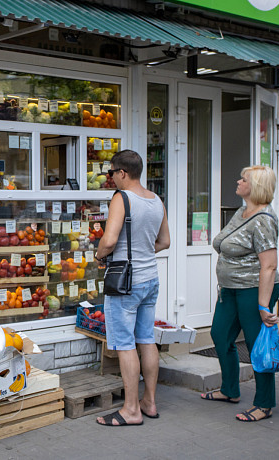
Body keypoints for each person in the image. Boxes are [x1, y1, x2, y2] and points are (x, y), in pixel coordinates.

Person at [95, 150, 170, 427]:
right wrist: (141, 252)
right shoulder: (155, 200)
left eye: (111, 173)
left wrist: (100, 255)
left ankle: (130, 410)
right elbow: (165, 241)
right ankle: (149, 402)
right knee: (147, 339)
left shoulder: (121, 198)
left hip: (126, 283)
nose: (111, 178)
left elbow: (110, 240)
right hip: (150, 279)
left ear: (122, 173)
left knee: (125, 345)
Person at [201, 165, 279, 423]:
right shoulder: (243, 212)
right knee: (220, 334)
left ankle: (264, 403)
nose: (238, 181)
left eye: (243, 179)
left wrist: (263, 305)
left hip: (254, 290)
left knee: (259, 346)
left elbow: (269, 265)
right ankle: (230, 390)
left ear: (254, 186)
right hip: (231, 289)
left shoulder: (263, 221)